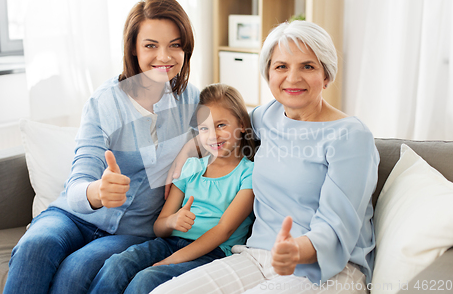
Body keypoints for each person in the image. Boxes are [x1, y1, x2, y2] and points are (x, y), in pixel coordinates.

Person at [152, 20, 380, 294]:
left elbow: (336, 225)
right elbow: (221, 129)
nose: (292, 78)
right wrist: (186, 152)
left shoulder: (351, 137)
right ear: (269, 74)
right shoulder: (266, 117)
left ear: (327, 75)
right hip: (258, 256)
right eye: (281, 66)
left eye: (308, 66)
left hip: (329, 269)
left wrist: (296, 249)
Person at [3, 0, 200, 294]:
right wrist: (98, 191)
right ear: (133, 48)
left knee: (76, 271)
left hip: (131, 231)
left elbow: (231, 130)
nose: (164, 56)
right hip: (73, 215)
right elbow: (79, 181)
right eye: (150, 45)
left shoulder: (192, 101)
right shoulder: (105, 101)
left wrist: (188, 149)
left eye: (175, 44)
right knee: (35, 245)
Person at [87, 83, 257, 294]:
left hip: (213, 252)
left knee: (146, 280)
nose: (213, 135)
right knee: (117, 265)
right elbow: (159, 227)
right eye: (204, 128)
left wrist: (172, 261)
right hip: (169, 242)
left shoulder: (248, 174)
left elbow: (225, 230)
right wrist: (172, 221)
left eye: (221, 125)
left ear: (241, 124)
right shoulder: (191, 167)